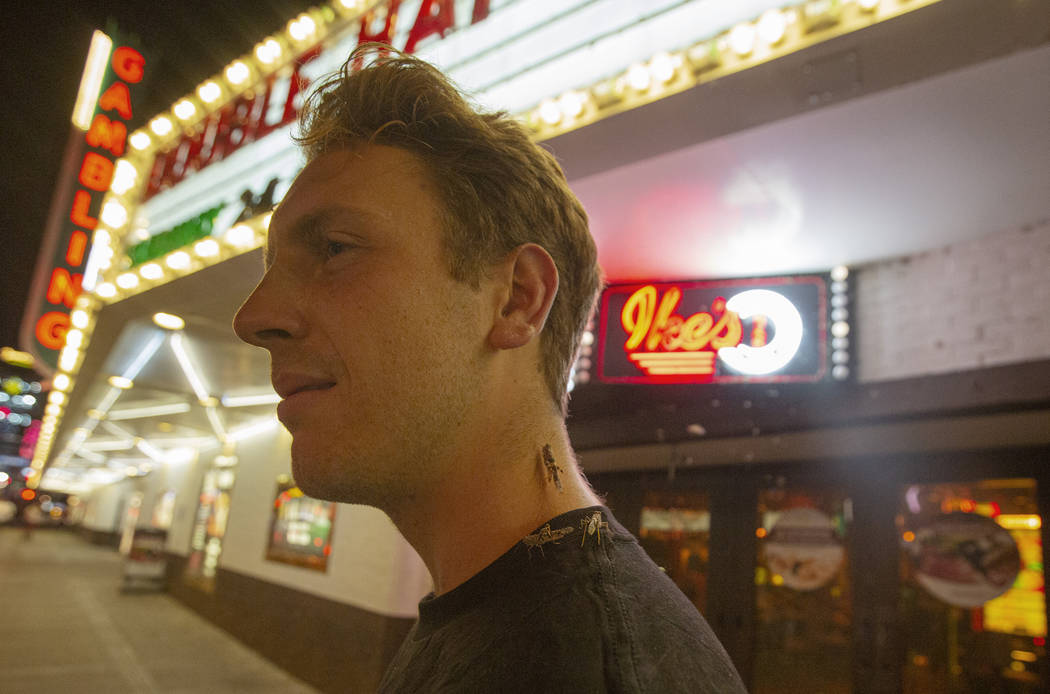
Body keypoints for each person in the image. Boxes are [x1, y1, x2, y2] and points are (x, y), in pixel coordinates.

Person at [233, 44, 747, 693]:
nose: (252, 318)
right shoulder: (502, 621)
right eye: (270, 269)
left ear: (516, 299)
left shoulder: (592, 667)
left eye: (336, 249)